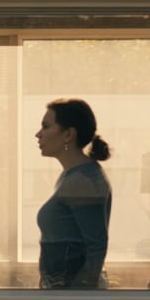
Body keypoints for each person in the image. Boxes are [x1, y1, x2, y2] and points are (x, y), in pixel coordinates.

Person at [35, 98, 112, 289]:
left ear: (68, 134)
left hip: (70, 297)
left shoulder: (81, 181)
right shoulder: (74, 176)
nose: (38, 134)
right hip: (63, 294)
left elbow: (96, 246)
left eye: (46, 127)